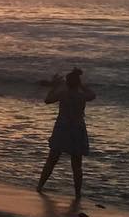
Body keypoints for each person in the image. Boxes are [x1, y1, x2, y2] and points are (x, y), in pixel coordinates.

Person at [37, 67, 95, 198]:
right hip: (77, 128)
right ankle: (78, 194)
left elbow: (48, 100)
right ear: (77, 83)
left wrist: (54, 86)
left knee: (52, 159)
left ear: (67, 83)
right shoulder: (82, 96)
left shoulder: (63, 94)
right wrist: (82, 86)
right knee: (76, 164)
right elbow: (93, 95)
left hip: (62, 128)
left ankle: (40, 186)